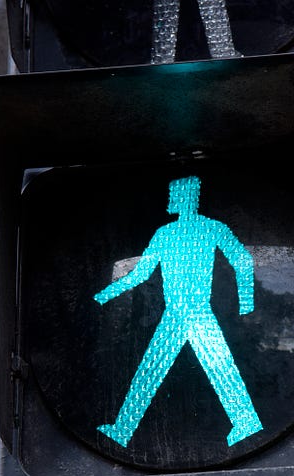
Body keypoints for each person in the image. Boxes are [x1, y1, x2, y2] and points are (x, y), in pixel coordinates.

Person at [94, 175, 262, 447]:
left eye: (174, 195)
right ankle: (122, 430)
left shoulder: (181, 232)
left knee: (205, 368)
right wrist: (105, 293)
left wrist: (247, 303)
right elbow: (141, 274)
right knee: (173, 369)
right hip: (180, 314)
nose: (171, 200)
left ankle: (123, 430)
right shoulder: (188, 230)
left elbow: (139, 275)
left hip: (193, 313)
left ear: (186, 198)